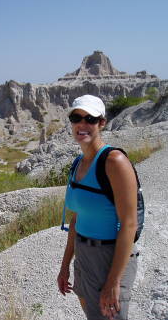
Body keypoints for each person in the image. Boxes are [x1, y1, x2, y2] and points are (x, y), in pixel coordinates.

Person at [57, 94, 139, 320]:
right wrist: (65, 266)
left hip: (109, 257)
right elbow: (77, 219)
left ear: (102, 122)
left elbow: (129, 224)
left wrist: (113, 282)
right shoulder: (78, 163)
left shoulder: (114, 161)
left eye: (90, 119)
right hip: (84, 254)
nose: (82, 124)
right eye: (76, 118)